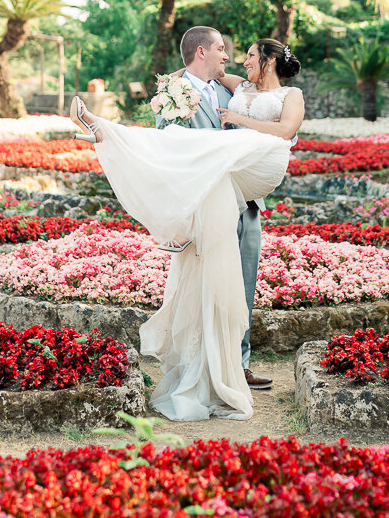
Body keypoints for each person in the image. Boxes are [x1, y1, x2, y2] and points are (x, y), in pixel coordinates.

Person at [69, 28, 304, 423]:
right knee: (210, 277)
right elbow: (172, 135)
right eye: (224, 50)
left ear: (267, 60)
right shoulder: (200, 88)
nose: (233, 58)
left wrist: (237, 116)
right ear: (202, 51)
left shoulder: (247, 94)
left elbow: (284, 130)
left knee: (242, 283)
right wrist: (174, 80)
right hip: (208, 199)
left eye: (245, 54)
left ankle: (238, 363)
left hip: (247, 194)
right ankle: (105, 132)